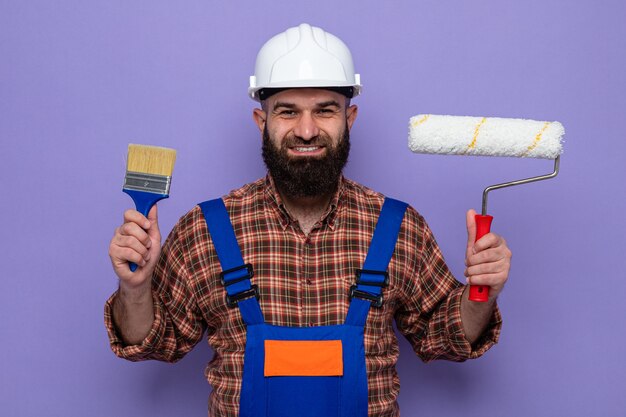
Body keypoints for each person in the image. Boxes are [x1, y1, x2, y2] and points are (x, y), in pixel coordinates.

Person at [106, 23, 510, 417]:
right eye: (287, 111)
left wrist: (482, 293)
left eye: (325, 110)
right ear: (261, 122)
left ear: (349, 118)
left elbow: (446, 340)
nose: (306, 130)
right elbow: (156, 344)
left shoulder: (400, 227)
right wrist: (135, 289)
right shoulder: (204, 229)